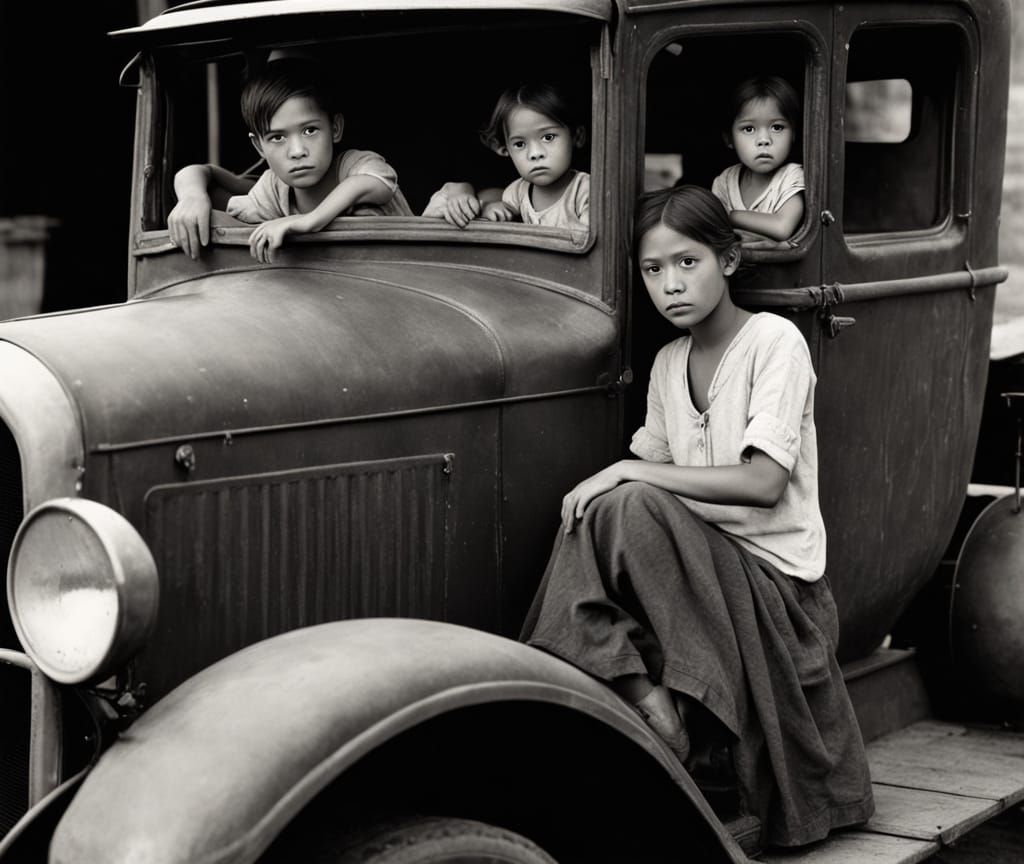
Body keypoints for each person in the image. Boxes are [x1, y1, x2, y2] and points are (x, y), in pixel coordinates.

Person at [520, 185, 873, 848]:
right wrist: (618, 482)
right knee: (594, 513)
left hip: (776, 588)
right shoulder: (668, 362)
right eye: (653, 271)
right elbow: (643, 489)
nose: (670, 285)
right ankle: (644, 697)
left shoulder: (776, 342)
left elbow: (764, 483)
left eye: (688, 263)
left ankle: (641, 693)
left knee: (622, 498)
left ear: (730, 259)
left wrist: (628, 472)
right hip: (698, 574)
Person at [168, 58, 411, 262]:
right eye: (277, 137)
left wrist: (307, 222)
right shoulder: (274, 189)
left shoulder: (355, 166)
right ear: (258, 145)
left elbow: (374, 184)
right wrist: (192, 197)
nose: (297, 151)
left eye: (310, 131)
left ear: (335, 128)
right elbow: (202, 175)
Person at [422, 82, 589, 232]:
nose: (535, 154)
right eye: (519, 144)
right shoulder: (517, 192)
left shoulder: (586, 191)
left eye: (548, 137)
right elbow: (487, 202)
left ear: (577, 136)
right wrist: (490, 211)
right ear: (504, 149)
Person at [711, 75, 805, 242]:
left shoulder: (792, 176)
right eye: (748, 129)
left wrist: (732, 217)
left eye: (777, 127)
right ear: (729, 139)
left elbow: (782, 227)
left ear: (794, 135)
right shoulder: (725, 181)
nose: (764, 140)